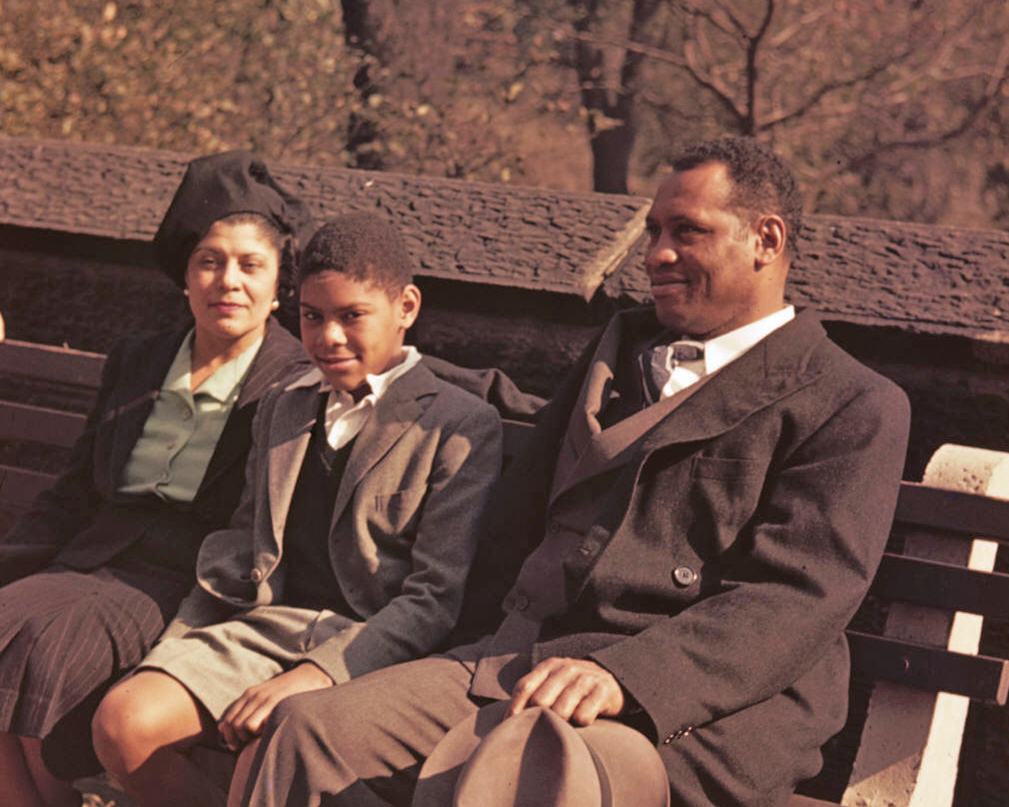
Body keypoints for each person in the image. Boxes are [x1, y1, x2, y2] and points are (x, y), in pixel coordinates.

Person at [230, 137, 912, 807]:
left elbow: (793, 600)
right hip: (522, 662)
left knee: (526, 772)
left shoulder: (850, 403)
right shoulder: (622, 353)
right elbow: (516, 506)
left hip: (692, 712)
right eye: (651, 233)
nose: (656, 255)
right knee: (304, 732)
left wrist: (624, 675)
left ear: (765, 239)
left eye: (686, 231)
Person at [90, 213, 503, 807]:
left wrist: (319, 673)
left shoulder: (458, 426)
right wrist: (179, 646)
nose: (328, 337)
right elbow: (238, 543)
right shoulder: (284, 407)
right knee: (123, 723)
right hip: (263, 629)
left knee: (274, 746)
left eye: (351, 316)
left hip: (369, 648)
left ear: (406, 307)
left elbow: (433, 597)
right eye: (312, 317)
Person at [0, 151, 313, 807]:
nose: (229, 280)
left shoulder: (295, 379)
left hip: (184, 582)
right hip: (89, 562)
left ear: (280, 281)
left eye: (250, 264)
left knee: (44, 650)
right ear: (184, 274)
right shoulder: (140, 358)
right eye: (209, 261)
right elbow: (75, 488)